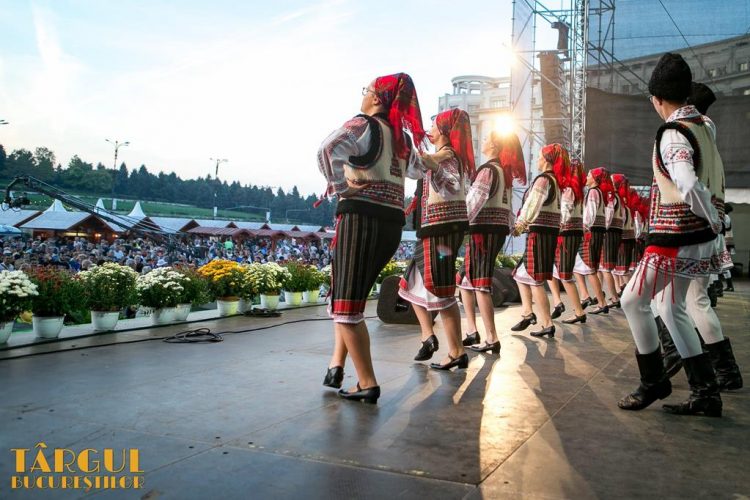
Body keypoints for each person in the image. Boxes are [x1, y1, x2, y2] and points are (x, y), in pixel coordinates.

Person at [618, 53, 726, 416]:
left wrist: (710, 216)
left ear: (657, 99)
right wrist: (714, 220)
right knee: (669, 305)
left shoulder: (672, 134)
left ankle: (654, 381)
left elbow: (687, 182)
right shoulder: (704, 126)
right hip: (697, 238)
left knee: (632, 301)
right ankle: (706, 392)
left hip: (676, 236)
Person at [317, 72, 427, 403]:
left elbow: (327, 150)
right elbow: (418, 169)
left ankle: (367, 383)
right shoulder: (401, 138)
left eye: (366, 90)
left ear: (377, 98)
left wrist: (342, 187)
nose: (363, 94)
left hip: (361, 219)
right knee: (348, 298)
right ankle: (336, 365)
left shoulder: (362, 125)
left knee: (346, 305)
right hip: (391, 225)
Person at [399, 109, 472, 370]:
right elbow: (416, 166)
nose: (429, 130)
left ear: (444, 131)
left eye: (433, 126)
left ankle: (457, 351)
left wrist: (434, 163)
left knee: (442, 291)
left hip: (441, 229)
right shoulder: (442, 156)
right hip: (432, 229)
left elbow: (452, 185)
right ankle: (428, 336)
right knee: (410, 283)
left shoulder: (448, 156)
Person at [459, 130, 525, 353]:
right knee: (465, 280)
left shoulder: (488, 170)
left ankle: (491, 337)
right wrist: (512, 226)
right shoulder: (504, 173)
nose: (484, 141)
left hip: (483, 232)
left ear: (495, 146)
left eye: (487, 138)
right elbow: (508, 207)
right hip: (495, 230)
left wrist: (458, 223)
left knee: (480, 283)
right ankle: (471, 330)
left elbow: (474, 201)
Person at [510, 143, 566, 339]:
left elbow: (532, 204)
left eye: (541, 156)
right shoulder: (555, 181)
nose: (538, 159)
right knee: (520, 273)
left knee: (535, 280)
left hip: (540, 233)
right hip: (547, 232)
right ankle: (528, 313)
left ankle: (547, 323)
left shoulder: (544, 180)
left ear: (547, 160)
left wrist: (520, 225)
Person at [572, 167, 611, 315]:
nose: (586, 177)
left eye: (589, 175)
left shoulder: (593, 192)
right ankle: (587, 297)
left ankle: (600, 302)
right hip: (597, 231)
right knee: (585, 267)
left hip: (591, 232)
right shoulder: (599, 192)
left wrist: (584, 227)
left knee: (589, 268)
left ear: (595, 179)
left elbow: (590, 212)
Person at [612, 174, 636, 294]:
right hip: (627, 237)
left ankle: (631, 293)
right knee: (619, 269)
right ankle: (621, 290)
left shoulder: (618, 200)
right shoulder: (625, 201)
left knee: (622, 270)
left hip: (622, 238)